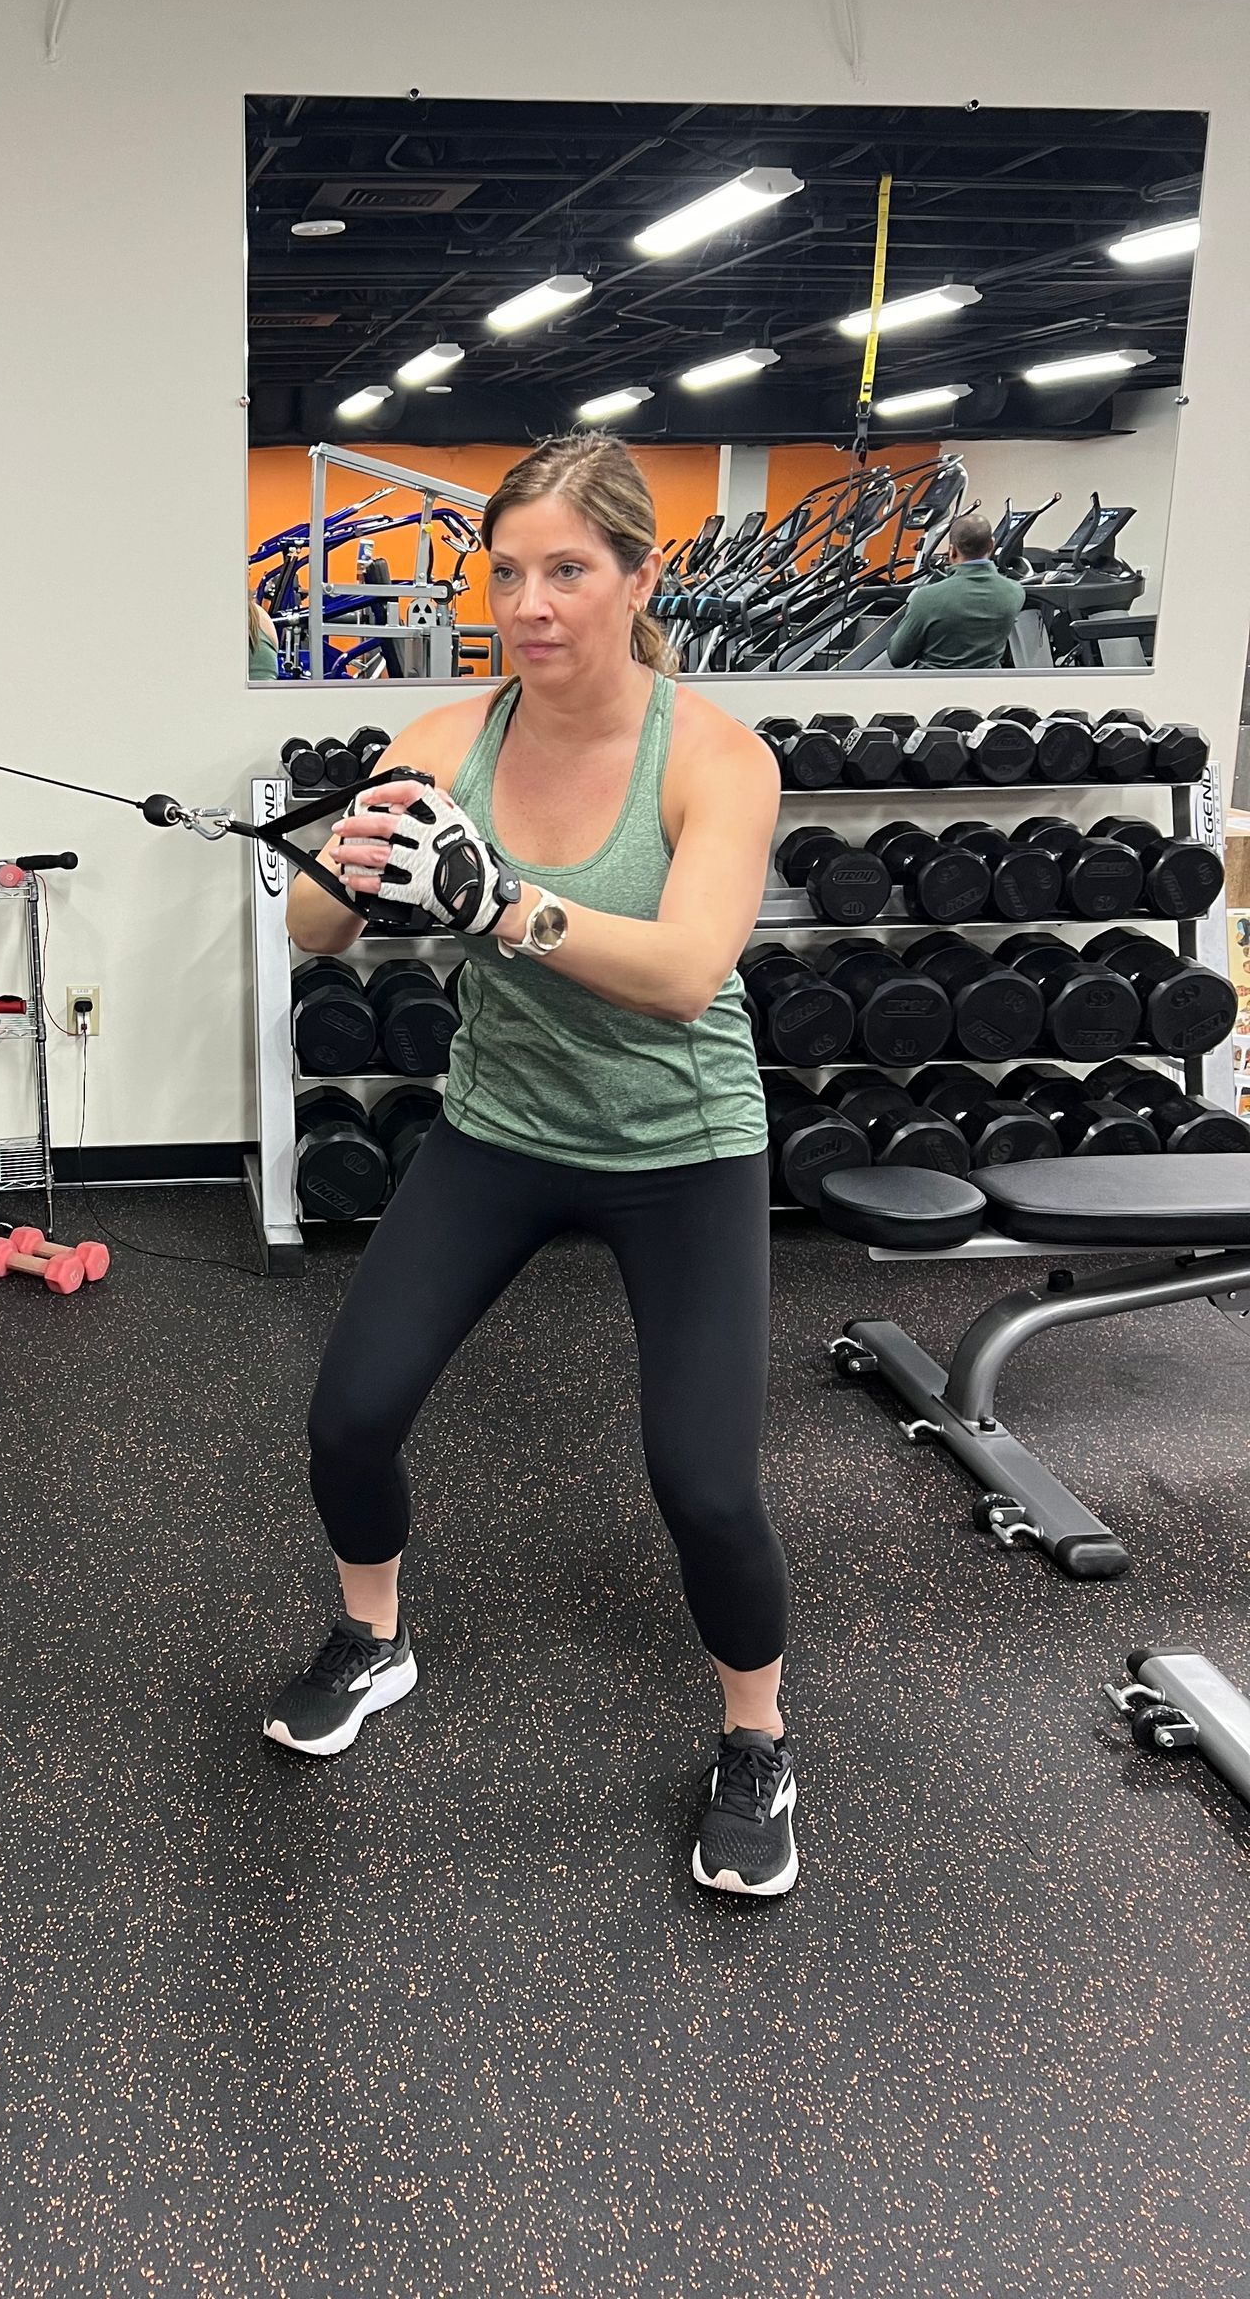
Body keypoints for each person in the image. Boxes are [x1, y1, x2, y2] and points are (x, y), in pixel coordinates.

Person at [265, 432, 798, 1899]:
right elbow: (318, 939)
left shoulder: (716, 756)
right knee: (350, 1416)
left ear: (641, 574)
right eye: (506, 572)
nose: (531, 602)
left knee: (701, 1481)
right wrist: (344, 859)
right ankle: (373, 1642)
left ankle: (755, 1735)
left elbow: (690, 971)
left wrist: (502, 902)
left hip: (681, 1147)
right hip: (499, 1127)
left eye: (568, 569)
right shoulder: (446, 741)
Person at [886, 510, 1026, 669]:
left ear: (952, 550)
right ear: (992, 544)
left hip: (933, 689)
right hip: (986, 689)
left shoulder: (926, 597)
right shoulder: (1015, 592)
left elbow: (898, 657)